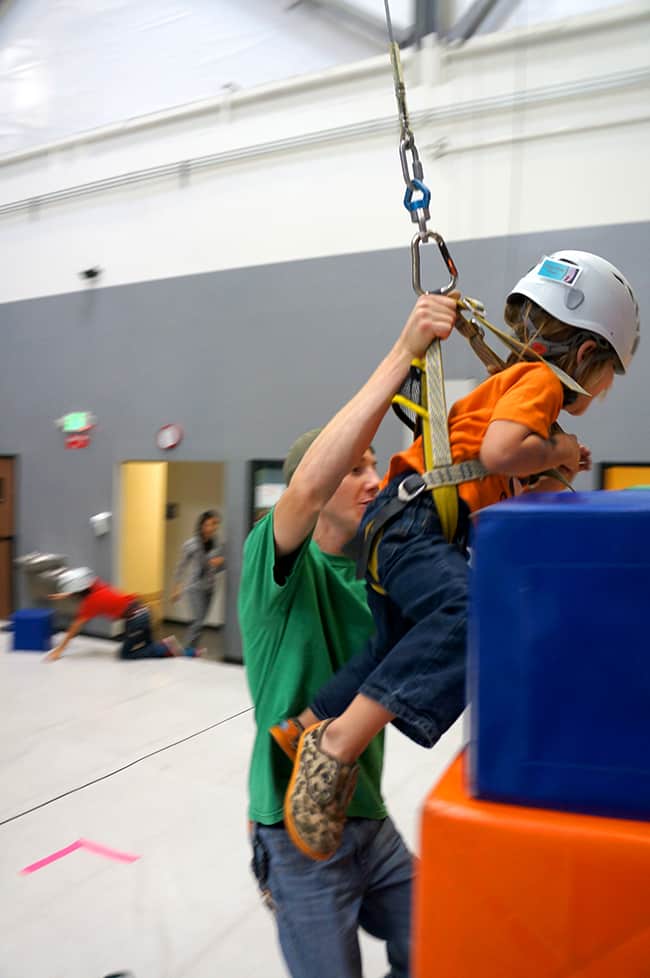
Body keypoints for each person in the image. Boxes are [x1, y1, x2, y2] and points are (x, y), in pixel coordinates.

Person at [282, 250, 641, 862]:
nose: (603, 393)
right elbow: (503, 453)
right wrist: (555, 444)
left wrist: (555, 457)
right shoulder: (539, 384)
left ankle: (304, 725)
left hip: (401, 523)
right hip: (413, 523)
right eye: (610, 377)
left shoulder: (516, 390)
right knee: (473, 616)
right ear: (586, 356)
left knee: (392, 644)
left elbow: (528, 480)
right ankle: (336, 745)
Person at [238, 293, 457, 978]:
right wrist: (405, 353)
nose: (374, 480)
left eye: (374, 466)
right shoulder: (275, 568)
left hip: (367, 816)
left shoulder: (383, 574)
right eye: (358, 468)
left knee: (443, 940)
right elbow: (301, 491)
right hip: (296, 831)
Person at [44, 567, 199, 660]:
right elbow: (81, 587)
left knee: (126, 655)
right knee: (149, 647)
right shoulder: (96, 584)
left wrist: (60, 650)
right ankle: (190, 652)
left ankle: (167, 646)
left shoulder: (91, 603)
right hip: (143, 611)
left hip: (135, 620)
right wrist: (64, 594)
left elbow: (74, 628)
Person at [171, 510, 225, 656]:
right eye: (208, 524)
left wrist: (221, 563)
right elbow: (181, 566)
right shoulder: (192, 544)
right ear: (201, 525)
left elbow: (220, 568)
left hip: (210, 588)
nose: (211, 527)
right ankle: (186, 651)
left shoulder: (217, 544)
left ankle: (191, 649)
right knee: (198, 621)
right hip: (194, 588)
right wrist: (176, 587)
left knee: (200, 622)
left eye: (215, 524)